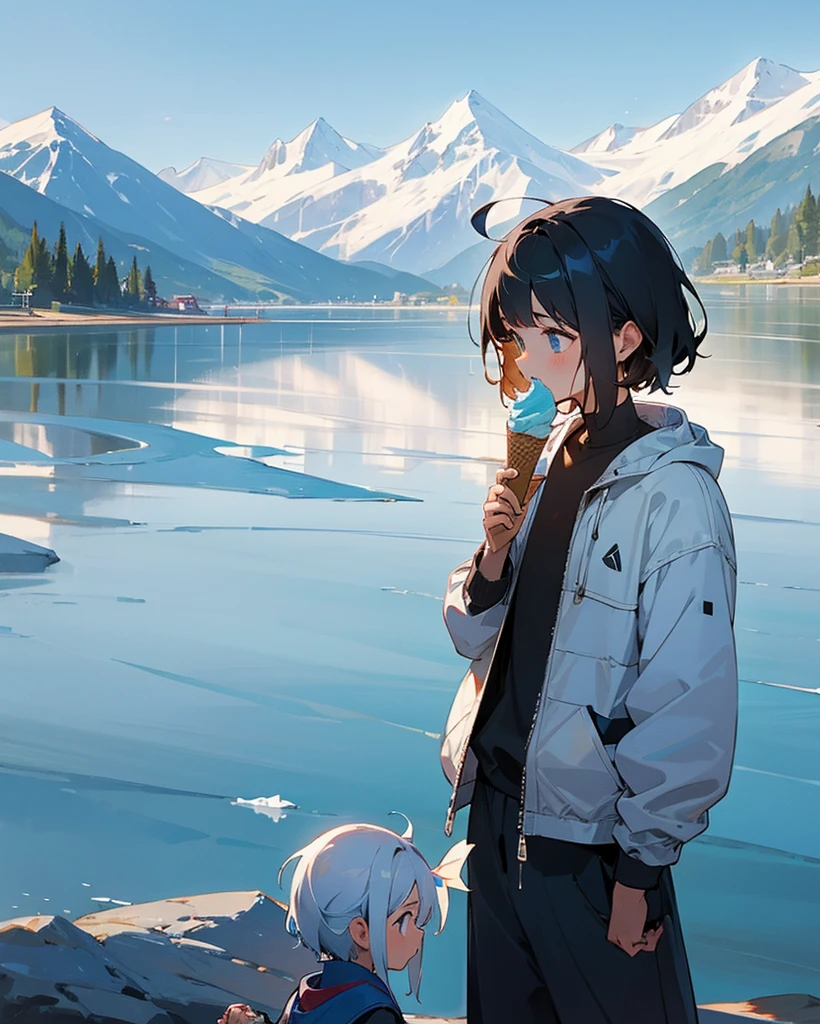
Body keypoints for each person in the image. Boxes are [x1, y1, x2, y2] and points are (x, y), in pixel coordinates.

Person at [440, 196, 738, 1024]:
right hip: (499, 820)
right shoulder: (544, 461)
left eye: (554, 336)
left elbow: (691, 700)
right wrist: (493, 561)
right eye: (519, 335)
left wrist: (641, 874)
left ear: (629, 334)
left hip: (597, 854)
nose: (530, 361)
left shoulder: (676, 497)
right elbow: (472, 634)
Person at [219, 821, 471, 1024]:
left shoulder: (307, 994)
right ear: (361, 932)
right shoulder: (372, 1010)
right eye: (406, 918)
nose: (419, 932)